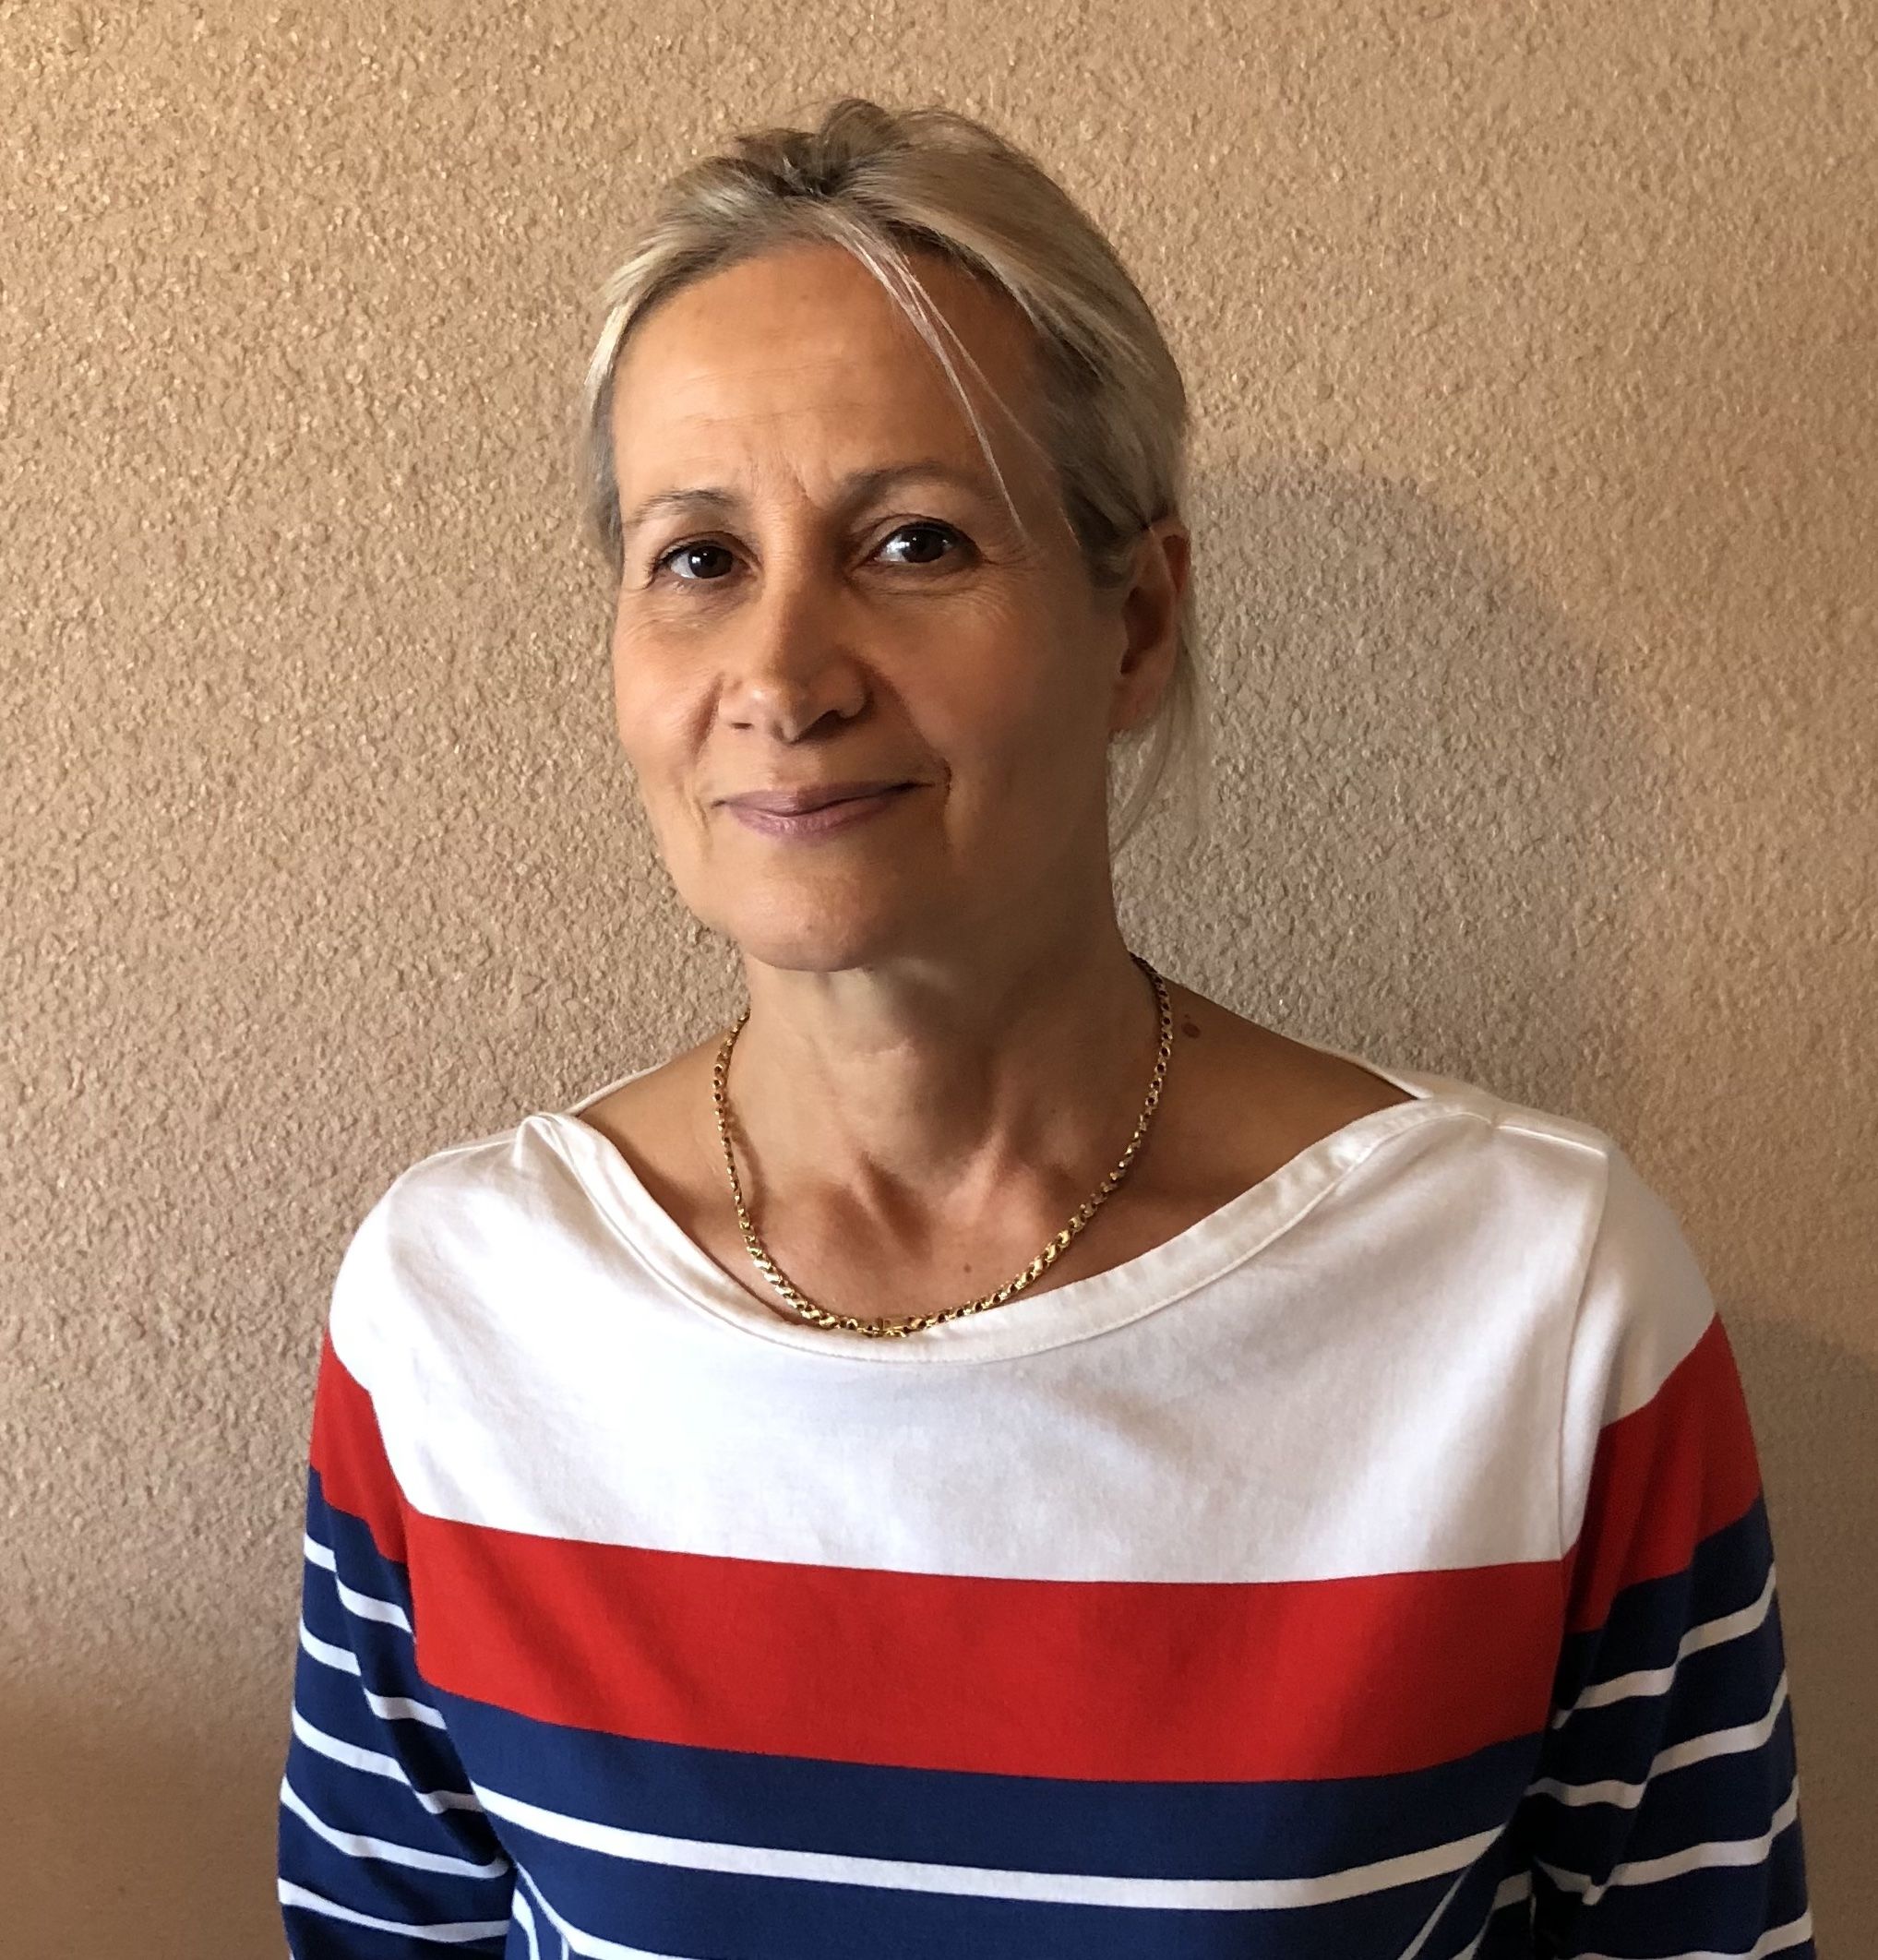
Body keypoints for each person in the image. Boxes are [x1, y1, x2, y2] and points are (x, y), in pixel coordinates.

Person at [276, 95, 1812, 1959]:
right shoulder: (453, 1317)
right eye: (698, 559)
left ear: (1137, 623)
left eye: (913, 543)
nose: (782, 676)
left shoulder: (1541, 1307)